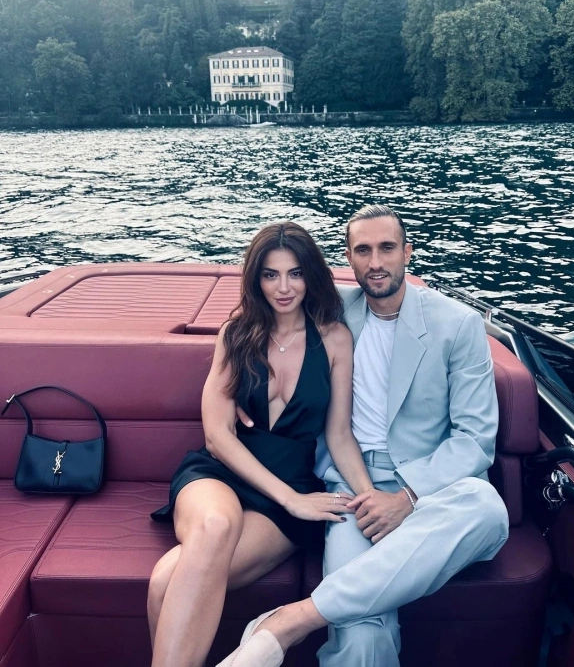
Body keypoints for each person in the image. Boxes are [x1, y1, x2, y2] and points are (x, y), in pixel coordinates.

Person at [217, 205, 510, 667]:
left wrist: (407, 497)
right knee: (359, 638)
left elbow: (475, 440)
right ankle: (322, 614)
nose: (376, 262)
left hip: (431, 489)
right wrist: (241, 391)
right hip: (350, 488)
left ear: (407, 252)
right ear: (348, 259)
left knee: (486, 506)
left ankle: (292, 619)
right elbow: (258, 317)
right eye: (363, 251)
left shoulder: (458, 324)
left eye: (387, 248)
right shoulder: (329, 309)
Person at [147, 222, 374, 667]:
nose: (283, 288)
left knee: (165, 580)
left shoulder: (334, 339)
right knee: (215, 525)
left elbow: (339, 435)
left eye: (295, 273)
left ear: (311, 275)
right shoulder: (237, 333)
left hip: (287, 491)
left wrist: (370, 498)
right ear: (256, 278)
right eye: (271, 275)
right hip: (221, 473)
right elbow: (217, 435)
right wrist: (291, 499)